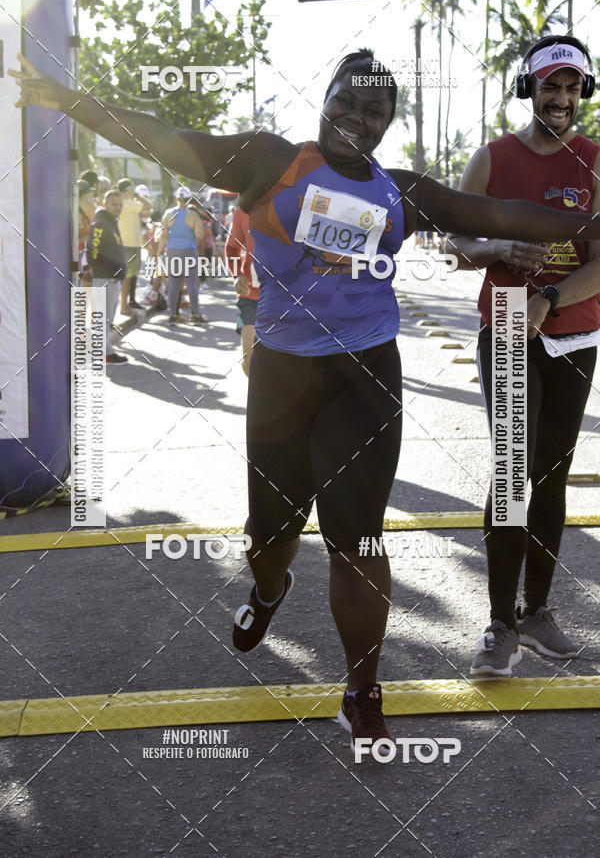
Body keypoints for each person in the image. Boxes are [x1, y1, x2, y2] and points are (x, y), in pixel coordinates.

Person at [13, 47, 600, 755]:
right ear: (324, 100)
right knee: (270, 538)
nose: (358, 117)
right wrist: (66, 99)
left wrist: (580, 228)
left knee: (360, 537)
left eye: (374, 110)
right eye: (346, 102)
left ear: (388, 123)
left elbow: (500, 211)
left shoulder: (399, 191)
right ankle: (267, 592)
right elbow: (159, 136)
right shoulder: (269, 161)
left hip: (367, 379)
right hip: (284, 381)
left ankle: (362, 690)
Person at [445, 35, 600, 677]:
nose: (560, 99)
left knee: (553, 475)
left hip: (575, 330)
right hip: (506, 324)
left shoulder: (596, 162)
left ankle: (538, 615)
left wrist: (552, 297)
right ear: (528, 90)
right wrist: (496, 251)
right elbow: (455, 237)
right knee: (511, 477)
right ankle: (500, 624)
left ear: (582, 94)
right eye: (549, 86)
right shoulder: (492, 158)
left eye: (571, 88)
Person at [85, 189, 128, 365]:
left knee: (106, 318)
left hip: (112, 277)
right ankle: (104, 353)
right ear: (105, 204)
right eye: (114, 204)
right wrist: (100, 270)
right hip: (105, 277)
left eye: (120, 204)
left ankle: (103, 350)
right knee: (102, 318)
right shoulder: (101, 222)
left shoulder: (110, 221)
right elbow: (92, 250)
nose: (117, 207)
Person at [157, 186, 207, 325]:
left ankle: (173, 315)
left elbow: (163, 236)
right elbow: (200, 236)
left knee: (173, 283)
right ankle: (195, 314)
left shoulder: (168, 214)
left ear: (176, 198)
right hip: (189, 251)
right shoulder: (193, 215)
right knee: (192, 284)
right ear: (190, 198)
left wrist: (157, 254)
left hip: (172, 251)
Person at [225, 206, 259, 376]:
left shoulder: (291, 200)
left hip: (285, 298)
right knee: (249, 361)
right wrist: (237, 275)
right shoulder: (244, 210)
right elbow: (232, 248)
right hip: (251, 295)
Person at [117, 177, 152, 314]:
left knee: (131, 276)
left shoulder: (128, 202)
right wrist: (137, 196)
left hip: (132, 244)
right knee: (127, 276)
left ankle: (128, 304)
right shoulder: (126, 203)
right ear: (126, 190)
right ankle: (124, 307)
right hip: (128, 244)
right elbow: (148, 204)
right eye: (131, 188)